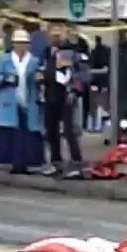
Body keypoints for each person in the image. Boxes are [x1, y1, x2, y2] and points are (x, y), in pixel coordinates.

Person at [0, 29, 45, 175]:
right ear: (14, 44)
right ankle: (14, 163)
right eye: (19, 43)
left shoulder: (34, 61)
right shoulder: (5, 60)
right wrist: (6, 80)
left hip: (29, 100)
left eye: (24, 43)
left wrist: (39, 79)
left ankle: (26, 163)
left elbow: (40, 75)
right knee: (13, 133)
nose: (22, 46)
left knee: (28, 133)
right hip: (11, 101)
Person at [41, 43, 87, 177]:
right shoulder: (46, 53)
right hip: (50, 97)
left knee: (69, 130)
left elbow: (84, 75)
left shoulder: (75, 53)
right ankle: (56, 163)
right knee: (51, 130)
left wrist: (75, 90)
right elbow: (41, 73)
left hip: (66, 98)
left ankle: (76, 163)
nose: (56, 33)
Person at [87, 35, 111, 132]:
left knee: (93, 105)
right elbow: (106, 69)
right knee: (102, 105)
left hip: (94, 81)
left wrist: (92, 72)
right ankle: (99, 126)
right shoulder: (107, 51)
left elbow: (90, 66)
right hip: (104, 82)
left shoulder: (93, 52)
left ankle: (92, 126)